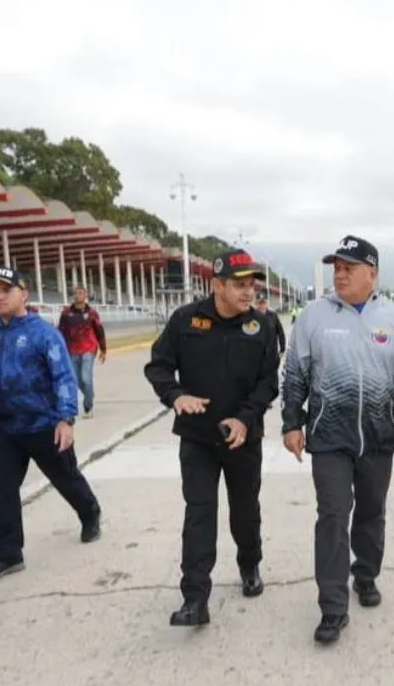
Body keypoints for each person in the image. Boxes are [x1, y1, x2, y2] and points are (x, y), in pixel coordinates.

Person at [281, 234, 394, 644]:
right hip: (329, 436)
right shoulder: (313, 317)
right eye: (337, 267)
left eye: (350, 267)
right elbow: (294, 375)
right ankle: (332, 608)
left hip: (378, 436)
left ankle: (365, 574)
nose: (341, 274)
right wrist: (291, 423)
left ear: (374, 273)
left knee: (371, 511)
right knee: (333, 515)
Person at [143, 250, 281, 626]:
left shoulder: (262, 327)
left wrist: (245, 420)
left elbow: (269, 382)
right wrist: (175, 396)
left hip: (242, 440)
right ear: (216, 285)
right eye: (239, 284)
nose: (248, 292)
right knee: (199, 514)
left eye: (252, 284)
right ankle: (195, 599)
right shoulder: (186, 320)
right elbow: (158, 365)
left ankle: (250, 564)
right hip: (198, 439)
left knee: (244, 512)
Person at [0, 266, 103, 582]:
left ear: (24, 294)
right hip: (4, 426)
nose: (1, 297)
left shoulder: (43, 333)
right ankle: (8, 553)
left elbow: (63, 376)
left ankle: (89, 513)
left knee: (66, 478)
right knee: (1, 487)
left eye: (7, 290)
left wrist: (66, 418)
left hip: (44, 424)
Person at [57, 285, 107, 419]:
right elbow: (60, 332)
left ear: (85, 296)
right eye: (75, 293)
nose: (78, 295)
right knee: (76, 380)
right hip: (72, 350)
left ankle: (88, 405)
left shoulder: (92, 313)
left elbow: (99, 331)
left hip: (88, 349)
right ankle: (89, 393)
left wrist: (103, 349)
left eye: (81, 293)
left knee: (86, 377)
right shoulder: (66, 313)